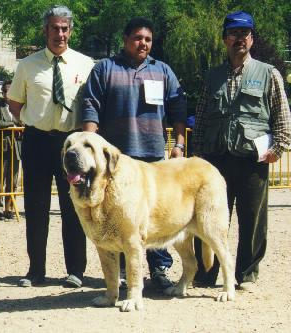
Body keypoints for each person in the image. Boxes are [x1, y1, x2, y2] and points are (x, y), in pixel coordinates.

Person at [82, 17, 187, 292]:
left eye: (148, 39)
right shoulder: (105, 68)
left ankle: (160, 270)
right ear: (125, 39)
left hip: (153, 158)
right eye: (138, 38)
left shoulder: (163, 71)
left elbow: (178, 109)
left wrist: (179, 144)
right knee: (116, 219)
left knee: (155, 217)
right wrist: (91, 144)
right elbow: (91, 106)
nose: (143, 43)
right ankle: (118, 275)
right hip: (116, 161)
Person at [191, 11, 291, 290]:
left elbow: (283, 119)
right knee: (208, 219)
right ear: (225, 38)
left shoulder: (267, 73)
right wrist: (196, 155)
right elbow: (200, 120)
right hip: (214, 162)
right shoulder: (212, 76)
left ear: (252, 38)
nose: (240, 38)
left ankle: (246, 274)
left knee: (252, 221)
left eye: (245, 33)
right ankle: (206, 273)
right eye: (234, 33)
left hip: (252, 161)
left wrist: (278, 148)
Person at [7, 5, 94, 288]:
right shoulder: (27, 65)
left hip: (71, 144)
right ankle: (36, 271)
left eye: (64, 29)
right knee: (36, 207)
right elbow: (15, 103)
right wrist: (36, 122)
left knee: (74, 208)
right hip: (37, 142)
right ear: (45, 31)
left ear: (70, 31)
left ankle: (76, 271)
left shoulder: (85, 64)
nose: (60, 34)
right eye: (54, 28)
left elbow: (91, 104)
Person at [0, 80, 21, 221]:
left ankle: (9, 209)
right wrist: (13, 125)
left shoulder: (19, 106)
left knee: (13, 180)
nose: (9, 94)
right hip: (1, 147)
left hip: (15, 148)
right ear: (3, 93)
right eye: (6, 91)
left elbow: (24, 121)